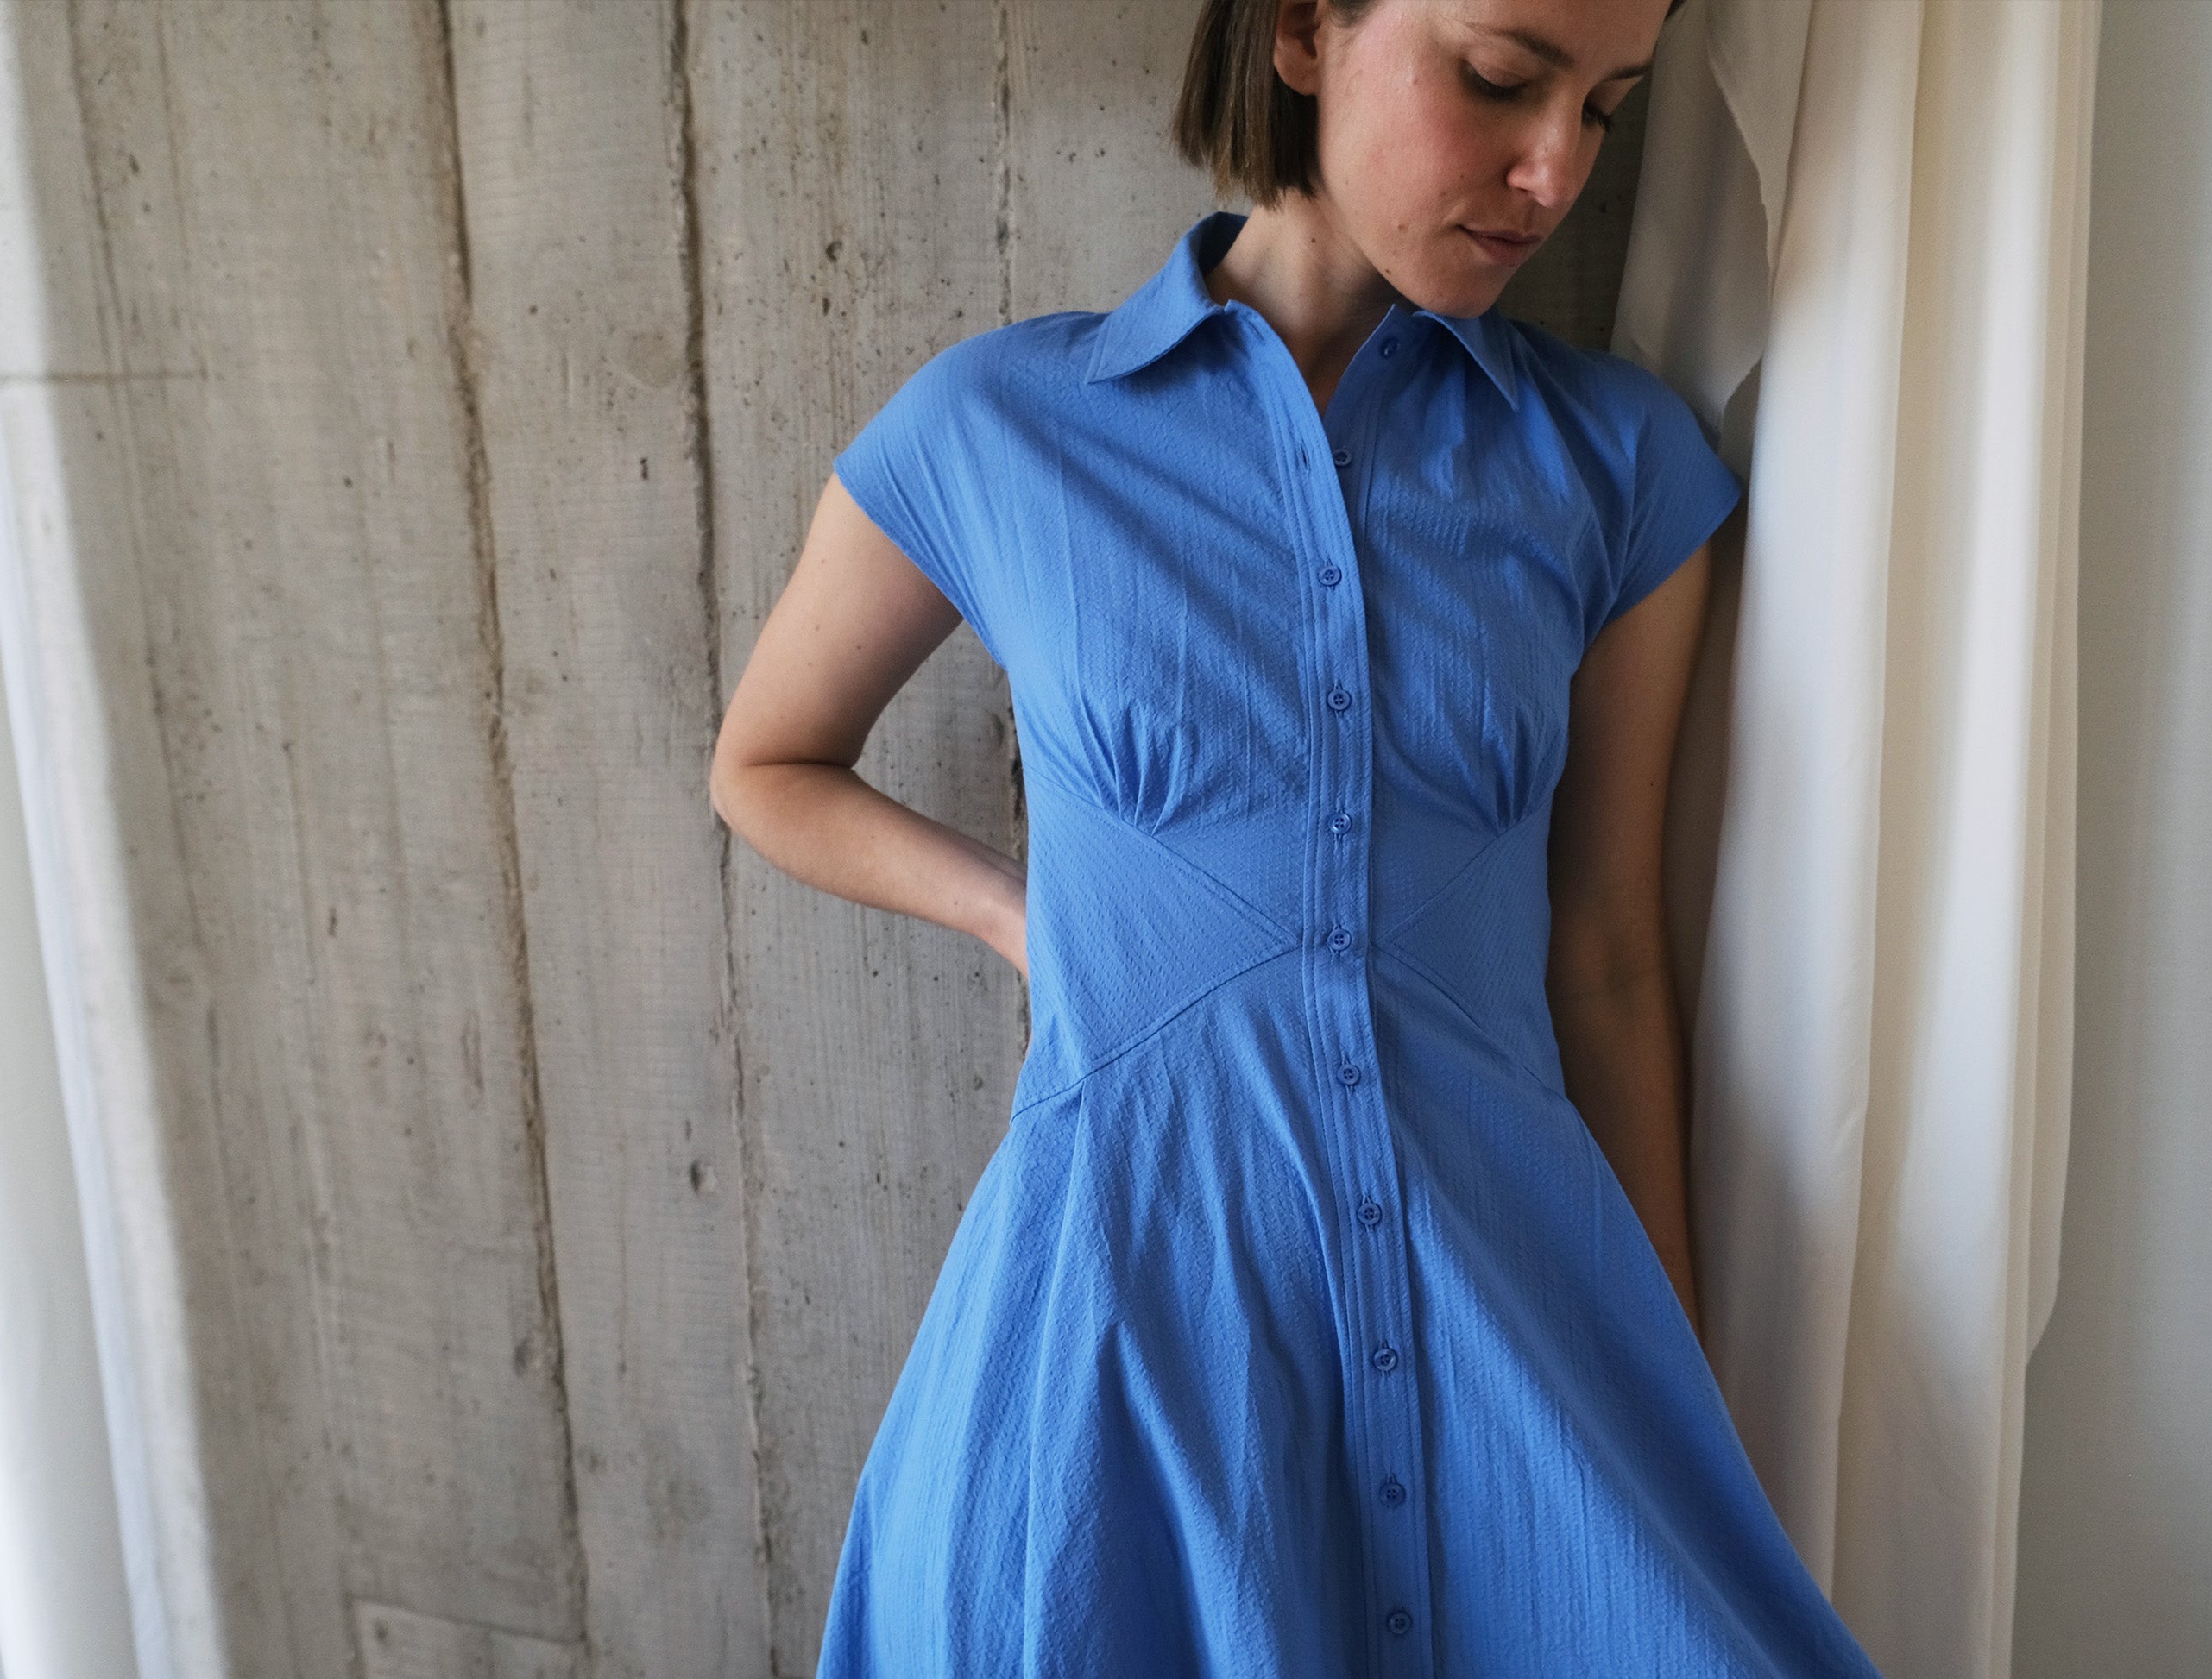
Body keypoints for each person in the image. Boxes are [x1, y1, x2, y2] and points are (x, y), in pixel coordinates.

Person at [709, 0, 1881, 1671]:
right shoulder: (999, 425)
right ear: (1304, 32)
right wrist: (1018, 918)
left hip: (1515, 1316)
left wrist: (1669, 1389)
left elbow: (1611, 952)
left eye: (1606, 111)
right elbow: (766, 763)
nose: (1553, 171)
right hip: (1127, 1328)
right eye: (1500, 77)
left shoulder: (1616, 465)